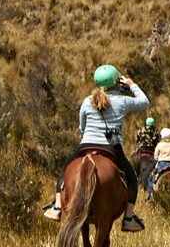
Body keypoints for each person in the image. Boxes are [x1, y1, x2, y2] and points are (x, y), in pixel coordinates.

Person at [43, 65, 150, 232]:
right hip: (112, 149)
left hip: (86, 145)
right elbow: (144, 102)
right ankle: (128, 218)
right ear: (116, 81)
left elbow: (82, 128)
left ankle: (56, 207)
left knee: (65, 171)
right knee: (131, 179)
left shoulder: (87, 101)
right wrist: (131, 84)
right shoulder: (123, 101)